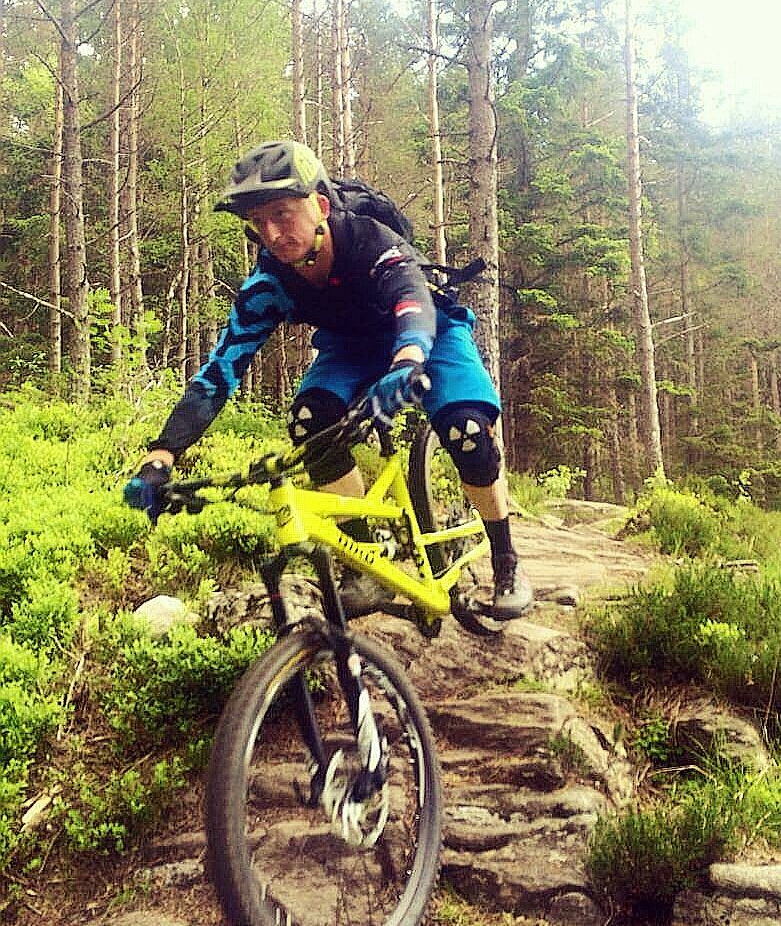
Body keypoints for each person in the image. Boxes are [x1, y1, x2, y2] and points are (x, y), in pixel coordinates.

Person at [125, 139, 532, 619]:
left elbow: (411, 300)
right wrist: (163, 451)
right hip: (350, 345)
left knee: (465, 432)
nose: (272, 234)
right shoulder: (269, 284)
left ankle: (506, 557)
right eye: (259, 223)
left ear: (319, 206)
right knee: (308, 421)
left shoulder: (370, 241)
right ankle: (365, 559)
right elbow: (220, 371)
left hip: (429, 333)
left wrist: (406, 359)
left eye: (282, 214)